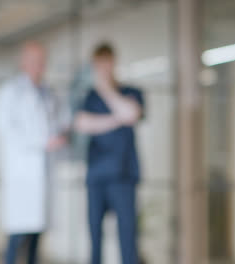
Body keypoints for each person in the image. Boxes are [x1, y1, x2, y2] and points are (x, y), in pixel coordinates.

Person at [0, 41, 67, 264]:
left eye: (42, 61)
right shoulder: (10, 93)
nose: (39, 66)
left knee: (36, 237)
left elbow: (57, 124)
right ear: (23, 63)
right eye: (34, 61)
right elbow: (6, 131)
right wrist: (43, 142)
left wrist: (57, 138)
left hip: (43, 176)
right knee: (17, 238)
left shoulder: (48, 94)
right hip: (22, 177)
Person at [74, 43, 145, 264]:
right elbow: (82, 124)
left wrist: (106, 89)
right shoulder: (89, 97)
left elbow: (132, 114)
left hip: (123, 175)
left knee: (127, 237)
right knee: (95, 237)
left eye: (105, 63)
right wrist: (118, 118)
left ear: (113, 62)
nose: (102, 69)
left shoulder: (132, 92)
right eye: (98, 65)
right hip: (96, 175)